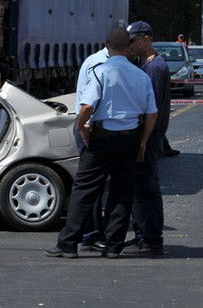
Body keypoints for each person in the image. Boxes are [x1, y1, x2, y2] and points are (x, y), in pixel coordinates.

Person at [46, 27, 158, 259]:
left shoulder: (101, 71)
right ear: (128, 48)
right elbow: (151, 113)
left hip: (102, 138)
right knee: (122, 191)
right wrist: (144, 141)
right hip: (130, 138)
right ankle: (114, 246)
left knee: (84, 190)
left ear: (106, 44)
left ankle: (68, 244)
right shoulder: (142, 76)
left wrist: (81, 127)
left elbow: (87, 107)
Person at [124, 21, 170, 256]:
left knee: (146, 188)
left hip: (149, 138)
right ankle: (142, 234)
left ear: (146, 39)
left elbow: (149, 109)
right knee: (140, 187)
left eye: (132, 41)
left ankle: (151, 239)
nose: (129, 46)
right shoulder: (145, 65)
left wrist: (142, 141)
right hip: (146, 136)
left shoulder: (155, 68)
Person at [72, 44, 110, 251]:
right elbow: (87, 106)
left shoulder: (102, 62)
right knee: (91, 185)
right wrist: (83, 127)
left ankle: (90, 232)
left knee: (94, 184)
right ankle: (91, 233)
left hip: (90, 127)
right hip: (89, 128)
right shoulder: (100, 65)